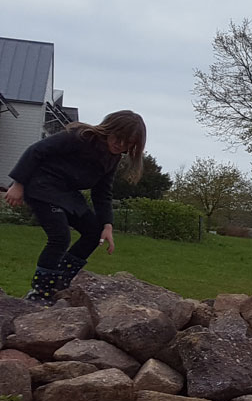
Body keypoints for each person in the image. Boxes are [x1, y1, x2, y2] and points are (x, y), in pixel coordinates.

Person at [5, 110, 147, 304]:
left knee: (93, 232)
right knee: (60, 237)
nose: (120, 145)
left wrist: (107, 225)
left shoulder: (112, 158)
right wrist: (18, 184)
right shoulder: (80, 137)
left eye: (128, 143)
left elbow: (102, 192)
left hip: (68, 194)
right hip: (42, 187)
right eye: (118, 137)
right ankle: (40, 292)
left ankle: (60, 281)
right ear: (109, 129)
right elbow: (35, 150)